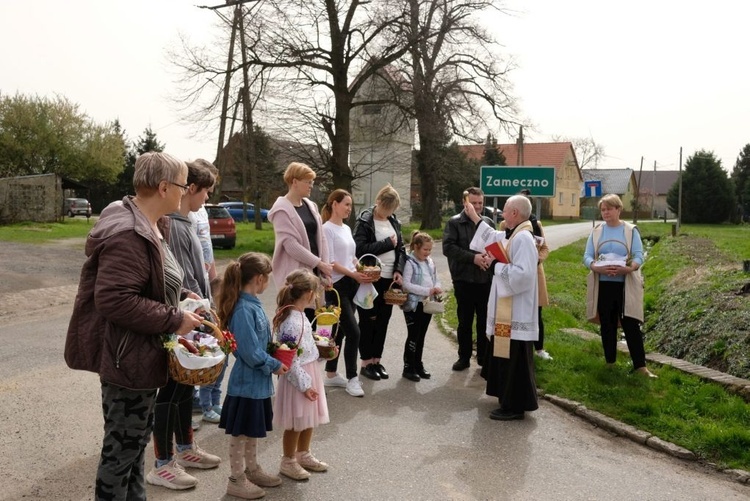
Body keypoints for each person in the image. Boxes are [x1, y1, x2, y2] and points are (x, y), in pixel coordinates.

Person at [64, 151, 204, 500]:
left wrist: (182, 295)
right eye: (183, 184)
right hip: (127, 360)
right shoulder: (129, 232)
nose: (186, 190)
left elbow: (150, 281)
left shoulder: (152, 223)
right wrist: (175, 318)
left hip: (141, 354)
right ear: (162, 187)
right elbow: (114, 300)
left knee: (134, 446)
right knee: (121, 450)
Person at [147, 159, 222, 491]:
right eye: (205, 191)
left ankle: (186, 448)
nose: (206, 199)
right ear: (190, 188)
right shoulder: (173, 225)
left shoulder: (187, 221)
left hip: (193, 316)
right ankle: (163, 463)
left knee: (184, 388)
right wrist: (198, 312)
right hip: (181, 321)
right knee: (171, 391)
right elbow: (178, 279)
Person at [216, 253, 290, 500]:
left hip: (256, 385)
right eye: (267, 278)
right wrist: (273, 364)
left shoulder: (252, 304)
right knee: (241, 434)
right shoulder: (243, 310)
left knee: (252, 431)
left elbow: (257, 343)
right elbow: (248, 351)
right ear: (259, 279)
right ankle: (236, 479)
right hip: (246, 385)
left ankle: (252, 469)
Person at [465, 195, 540, 421]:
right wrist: (474, 216)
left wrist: (494, 265)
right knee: (505, 355)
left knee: (514, 359)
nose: (502, 214)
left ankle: (515, 406)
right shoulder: (514, 234)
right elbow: (492, 238)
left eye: (505, 211)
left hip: (516, 310)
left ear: (515, 213)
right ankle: (507, 400)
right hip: (508, 309)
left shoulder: (523, 238)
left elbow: (524, 275)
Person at [583, 193, 657, 378]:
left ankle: (640, 366)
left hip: (625, 285)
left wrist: (629, 268)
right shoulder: (597, 231)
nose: (605, 213)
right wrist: (594, 266)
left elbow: (639, 255)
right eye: (603, 210)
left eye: (609, 209)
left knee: (630, 323)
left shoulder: (631, 231)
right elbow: (587, 255)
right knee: (607, 324)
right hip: (604, 284)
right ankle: (610, 362)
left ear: (618, 209)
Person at [272, 270, 330, 481]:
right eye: (315, 293)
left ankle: (303, 453)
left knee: (308, 418)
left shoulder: (301, 315)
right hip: (298, 378)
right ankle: (288, 460)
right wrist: (305, 385)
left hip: (309, 370)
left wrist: (323, 352)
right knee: (296, 421)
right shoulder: (291, 322)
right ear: (307, 293)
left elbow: (306, 348)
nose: (316, 297)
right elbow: (290, 358)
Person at [321, 189, 373, 397]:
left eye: (351, 206)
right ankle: (352, 378)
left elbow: (351, 257)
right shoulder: (327, 229)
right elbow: (331, 262)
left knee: (341, 332)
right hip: (336, 287)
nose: (349, 209)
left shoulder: (347, 228)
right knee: (354, 332)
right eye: (346, 205)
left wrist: (362, 270)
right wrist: (353, 274)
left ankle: (331, 375)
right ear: (334, 204)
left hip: (352, 284)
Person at [353, 184, 406, 381]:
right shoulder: (365, 221)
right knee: (368, 321)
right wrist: (386, 244)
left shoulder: (394, 221)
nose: (388, 213)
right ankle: (365, 362)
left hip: (389, 280)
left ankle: (377, 360)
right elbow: (359, 249)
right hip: (370, 279)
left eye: (392, 210)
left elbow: (401, 249)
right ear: (379, 203)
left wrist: (399, 270)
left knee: (383, 320)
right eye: (386, 209)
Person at [443, 187, 495, 372]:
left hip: (485, 280)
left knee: (484, 321)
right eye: (474, 203)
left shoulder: (488, 222)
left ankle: (483, 358)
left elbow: (494, 246)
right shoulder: (454, 222)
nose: (478, 206)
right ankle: (463, 357)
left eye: (480, 203)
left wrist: (488, 259)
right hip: (463, 279)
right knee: (464, 321)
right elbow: (448, 248)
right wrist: (473, 258)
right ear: (465, 203)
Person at [188, 159, 224, 426]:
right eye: (207, 187)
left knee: (206, 338)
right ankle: (191, 397)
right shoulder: (187, 210)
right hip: (191, 284)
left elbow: (206, 245)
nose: (209, 194)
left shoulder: (201, 211)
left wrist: (214, 279)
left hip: (205, 280)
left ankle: (201, 398)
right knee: (194, 337)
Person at [267, 162, 332, 296]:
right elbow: (291, 245)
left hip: (315, 272)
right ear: (294, 182)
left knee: (317, 314)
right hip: (295, 276)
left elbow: (322, 238)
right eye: (308, 182)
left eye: (312, 182)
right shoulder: (281, 209)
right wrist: (319, 263)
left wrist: (325, 267)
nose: (311, 186)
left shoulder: (311, 206)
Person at [503, 189, 552, 361]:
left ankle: (539, 349)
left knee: (536, 312)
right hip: (514, 273)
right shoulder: (505, 225)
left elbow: (545, 248)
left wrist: (536, 258)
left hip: (535, 273)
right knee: (514, 311)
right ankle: (515, 347)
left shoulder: (536, 225)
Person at [400, 231, 443, 381]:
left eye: (430, 250)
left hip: (426, 304)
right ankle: (408, 367)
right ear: (416, 247)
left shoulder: (430, 262)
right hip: (413, 305)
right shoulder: (410, 263)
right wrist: (427, 290)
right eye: (425, 249)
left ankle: (418, 364)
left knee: (422, 335)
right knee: (414, 335)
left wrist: (436, 287)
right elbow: (406, 285)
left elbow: (436, 278)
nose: (428, 252)